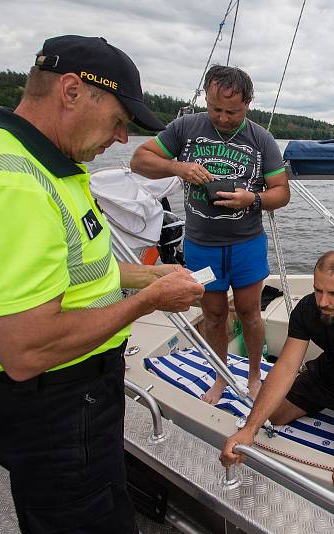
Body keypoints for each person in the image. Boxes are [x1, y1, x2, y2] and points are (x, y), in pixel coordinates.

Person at [0, 35, 205, 533]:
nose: (122, 140)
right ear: (73, 91)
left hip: (74, 397)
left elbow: (67, 271)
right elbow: (27, 349)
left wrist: (145, 274)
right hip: (53, 407)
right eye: (119, 121)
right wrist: (148, 301)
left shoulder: (45, 167)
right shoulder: (7, 186)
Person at [130, 65, 290, 404]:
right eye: (216, 108)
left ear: (248, 103)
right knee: (214, 314)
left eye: (232, 111)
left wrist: (253, 199)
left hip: (246, 243)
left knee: (250, 312)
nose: (223, 117)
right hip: (202, 245)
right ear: (207, 97)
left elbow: (282, 192)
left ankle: (253, 377)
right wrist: (178, 167)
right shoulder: (186, 128)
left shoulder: (261, 139)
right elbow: (139, 160)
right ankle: (221, 376)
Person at [221, 252, 334, 490]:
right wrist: (250, 428)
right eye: (318, 290)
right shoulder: (307, 309)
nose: (323, 302)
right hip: (325, 374)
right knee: (275, 416)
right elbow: (286, 367)